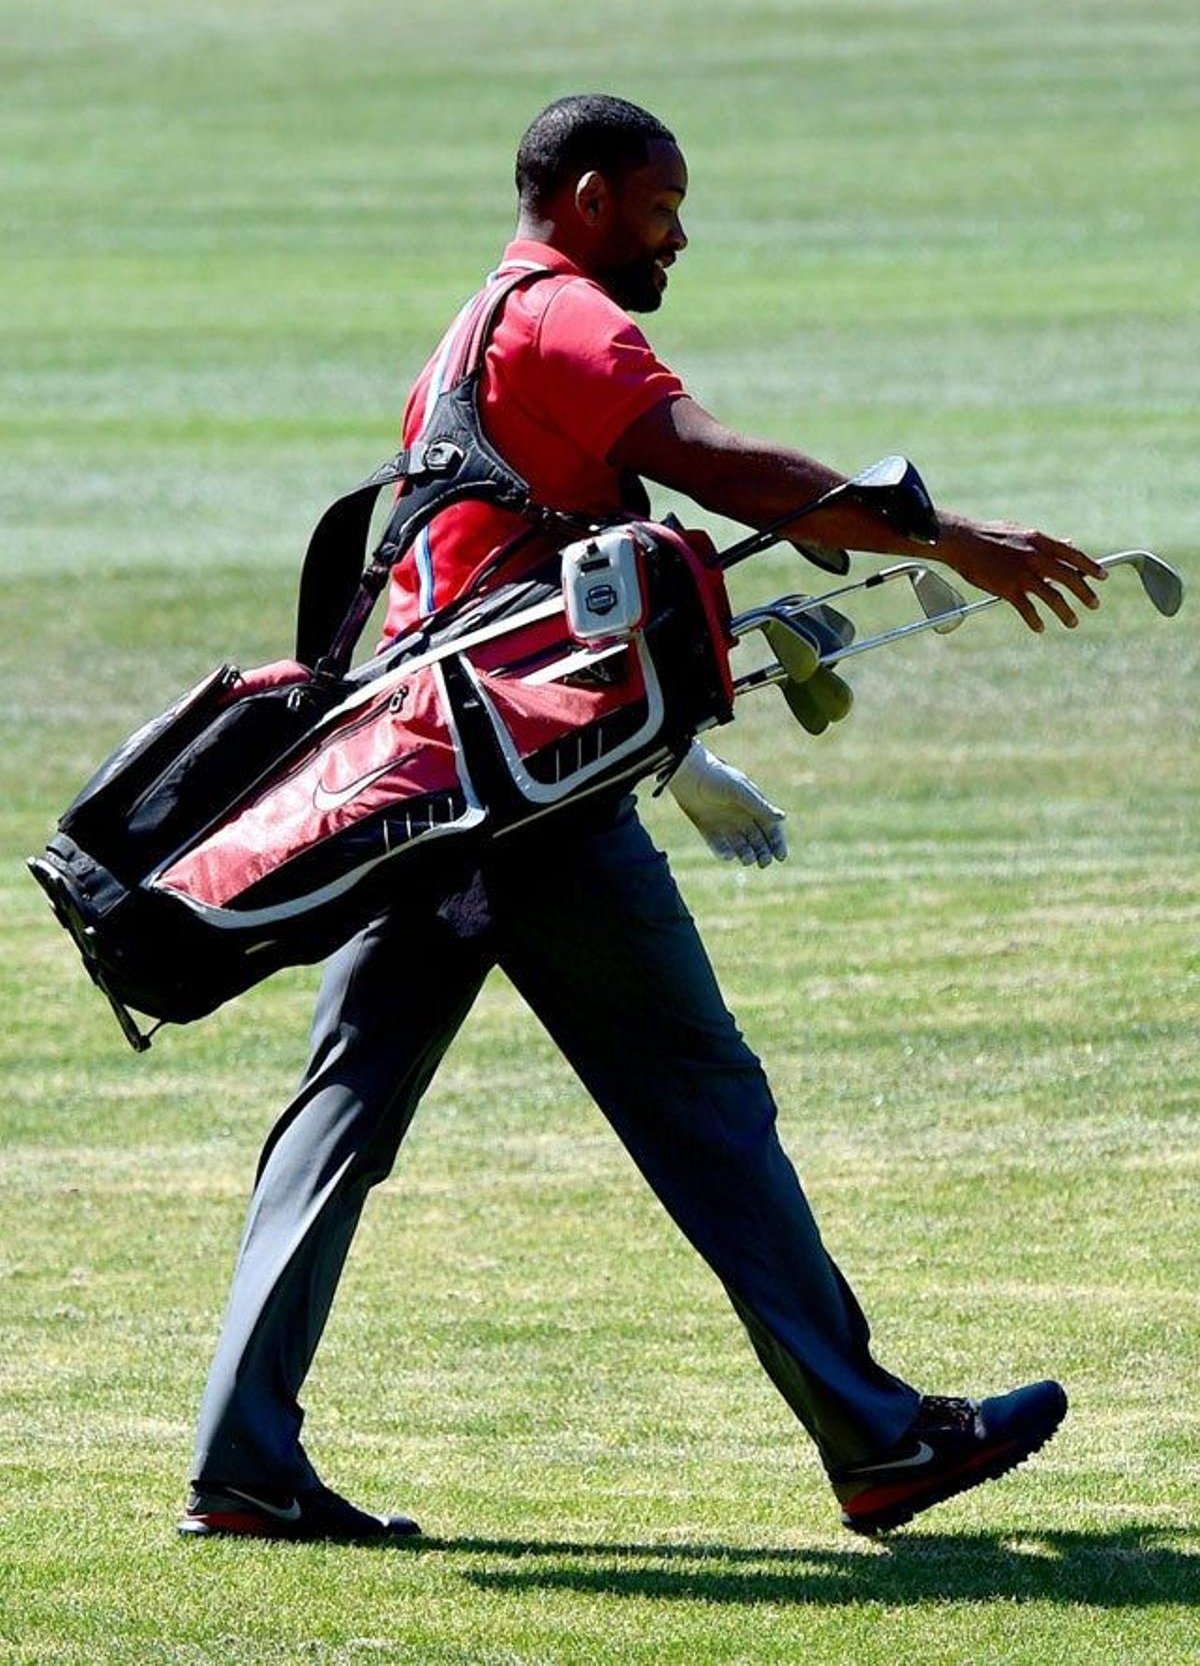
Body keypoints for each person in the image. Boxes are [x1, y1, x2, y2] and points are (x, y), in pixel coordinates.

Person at [180, 95, 1102, 1543]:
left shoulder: (472, 331)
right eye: (665, 206)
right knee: (703, 1101)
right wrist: (948, 538)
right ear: (595, 195)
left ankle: (239, 1459)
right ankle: (877, 1441)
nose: (681, 235)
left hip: (425, 793)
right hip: (525, 810)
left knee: (340, 1117)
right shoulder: (560, 318)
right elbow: (719, 467)